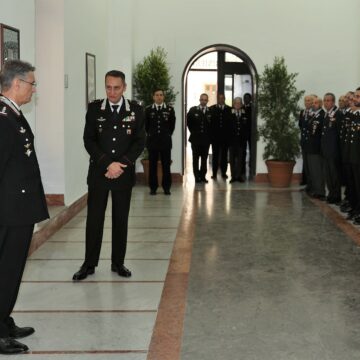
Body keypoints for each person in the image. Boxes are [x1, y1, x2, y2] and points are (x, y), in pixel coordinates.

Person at [73, 70, 145, 281]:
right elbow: (89, 140)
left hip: (123, 173)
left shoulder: (137, 110)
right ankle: (89, 264)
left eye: (116, 87)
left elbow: (139, 141)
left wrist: (121, 164)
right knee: (94, 220)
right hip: (99, 172)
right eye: (108, 87)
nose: (112, 92)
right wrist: (107, 163)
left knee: (120, 219)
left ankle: (118, 262)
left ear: (124, 87)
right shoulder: (95, 109)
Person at [0, 60, 49, 354]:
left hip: (18, 207)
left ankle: (4, 321)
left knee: (13, 268)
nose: (33, 89)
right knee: (5, 269)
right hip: (8, 210)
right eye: (32, 83)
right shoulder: (3, 117)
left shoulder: (12, 114)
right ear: (16, 84)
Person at [145, 89, 176, 195]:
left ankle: (166, 187)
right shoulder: (148, 110)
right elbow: (146, 127)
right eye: (157, 95)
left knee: (166, 166)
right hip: (152, 142)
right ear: (153, 97)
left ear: (164, 97)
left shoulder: (170, 110)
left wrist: (165, 135)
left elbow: (172, 126)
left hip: (165, 142)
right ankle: (153, 188)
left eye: (161, 95)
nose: (159, 97)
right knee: (152, 166)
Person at [321, 93, 342, 204]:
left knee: (335, 175)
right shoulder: (326, 114)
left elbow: (339, 134)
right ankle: (331, 194)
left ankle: (337, 196)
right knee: (328, 174)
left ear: (333, 102)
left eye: (328, 100)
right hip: (326, 150)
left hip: (334, 151)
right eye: (324, 100)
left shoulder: (337, 114)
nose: (326, 102)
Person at [303, 96, 325, 199]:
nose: (313, 104)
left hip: (315, 148)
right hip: (310, 146)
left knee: (317, 171)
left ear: (320, 104)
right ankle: (314, 189)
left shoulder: (322, 115)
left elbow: (319, 133)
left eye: (316, 103)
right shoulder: (313, 115)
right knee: (311, 170)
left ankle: (320, 192)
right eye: (313, 103)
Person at [187, 93, 212, 183]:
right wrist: (193, 132)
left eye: (205, 100)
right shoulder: (193, 110)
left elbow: (212, 126)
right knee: (195, 159)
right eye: (202, 99)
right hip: (195, 139)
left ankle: (203, 176)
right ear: (199, 100)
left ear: (207, 101)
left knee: (204, 159)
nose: (203, 101)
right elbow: (188, 123)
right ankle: (196, 177)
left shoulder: (210, 111)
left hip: (206, 140)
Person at [210, 93, 232, 179]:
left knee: (224, 156)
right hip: (215, 137)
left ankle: (224, 173)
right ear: (217, 99)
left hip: (225, 137)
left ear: (225, 99)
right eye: (219, 98)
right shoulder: (212, 109)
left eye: (222, 98)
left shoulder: (229, 109)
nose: (221, 100)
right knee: (215, 155)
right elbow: (210, 124)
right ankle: (214, 173)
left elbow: (231, 124)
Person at [228, 97, 246, 182]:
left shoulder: (244, 113)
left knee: (240, 159)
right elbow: (226, 127)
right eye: (236, 103)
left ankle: (239, 176)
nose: (238, 104)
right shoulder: (229, 113)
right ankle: (233, 176)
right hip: (231, 141)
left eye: (239, 103)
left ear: (241, 104)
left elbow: (247, 127)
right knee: (232, 160)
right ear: (233, 104)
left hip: (241, 141)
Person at [299, 95, 314, 188]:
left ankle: (311, 183)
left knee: (310, 164)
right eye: (305, 100)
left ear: (312, 102)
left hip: (310, 142)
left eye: (309, 100)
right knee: (305, 162)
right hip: (304, 141)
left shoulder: (313, 113)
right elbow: (300, 125)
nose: (306, 102)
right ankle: (306, 181)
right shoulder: (302, 112)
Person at [242, 93, 252, 179]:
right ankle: (242, 168)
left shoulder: (253, 108)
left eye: (248, 98)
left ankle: (251, 166)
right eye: (245, 98)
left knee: (252, 150)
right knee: (243, 150)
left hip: (251, 133)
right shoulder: (241, 108)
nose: (246, 99)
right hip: (242, 133)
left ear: (250, 99)